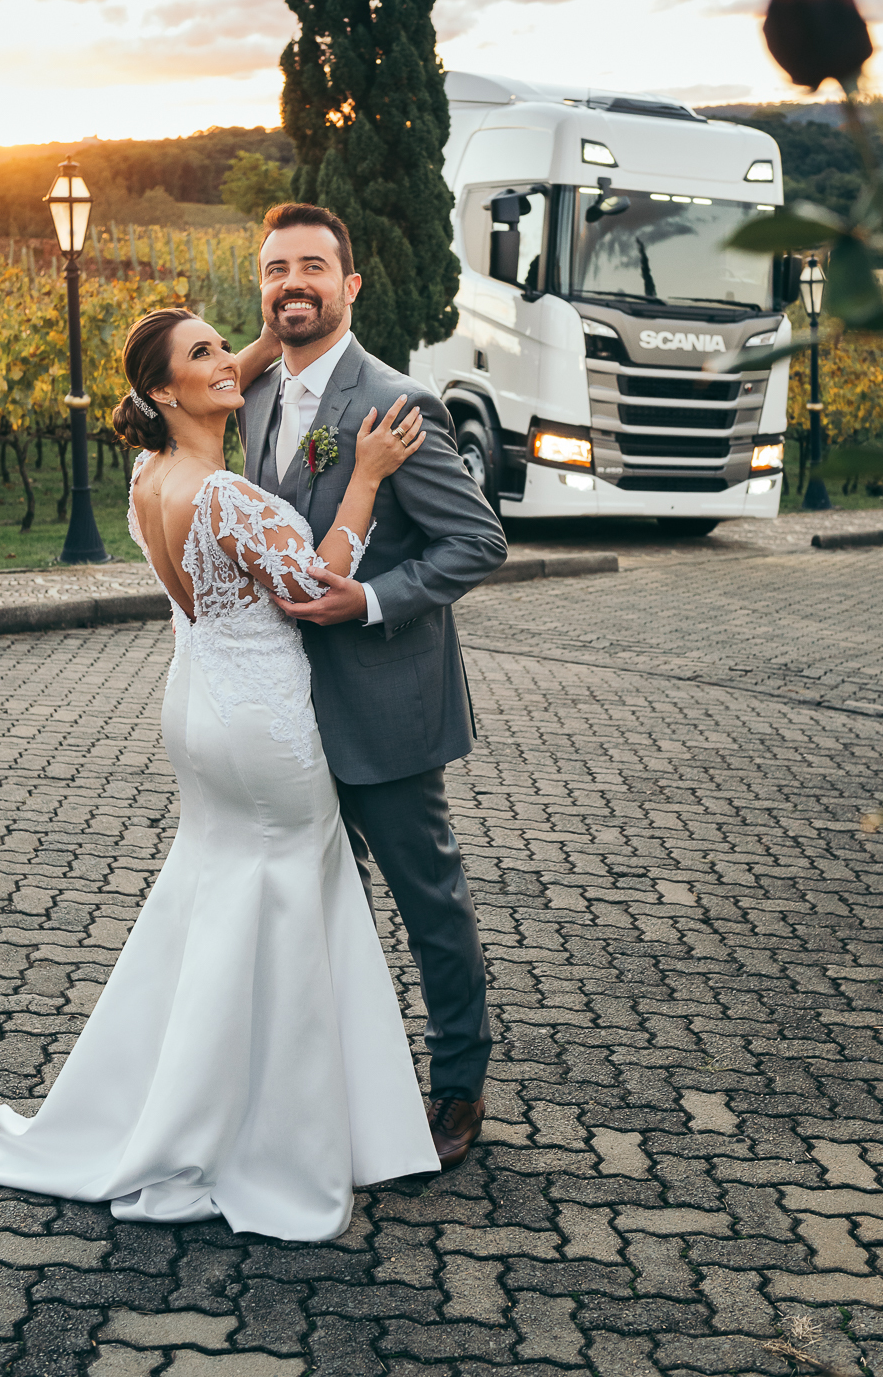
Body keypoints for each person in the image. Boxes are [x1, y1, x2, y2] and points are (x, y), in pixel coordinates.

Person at [0, 306, 441, 1241]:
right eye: (204, 354)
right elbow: (316, 586)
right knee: (282, 900)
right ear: (163, 388)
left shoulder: (150, 470)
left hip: (197, 706)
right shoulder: (226, 496)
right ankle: (270, 1132)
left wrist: (277, 328)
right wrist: (363, 477)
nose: (227, 360)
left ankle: (176, 1099)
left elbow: (219, 371)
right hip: (262, 723)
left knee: (212, 896)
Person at [241, 202, 508, 1170]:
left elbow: (477, 540)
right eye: (276, 269)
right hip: (284, 708)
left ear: (351, 285)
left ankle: (459, 1084)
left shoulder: (398, 403)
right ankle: (348, 1075)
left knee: (427, 900)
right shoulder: (261, 391)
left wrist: (368, 599)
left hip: (385, 703)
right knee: (326, 905)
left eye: (313, 265)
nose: (293, 283)